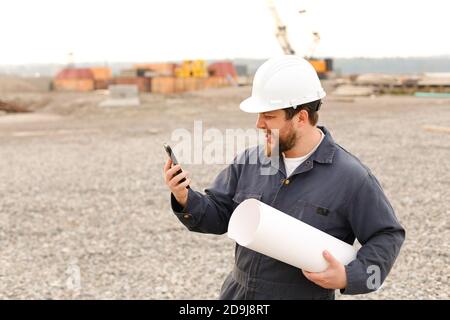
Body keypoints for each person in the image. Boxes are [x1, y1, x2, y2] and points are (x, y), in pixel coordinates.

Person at [163, 55, 405, 300]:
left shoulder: (352, 178)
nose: (258, 124)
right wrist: (185, 198)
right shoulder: (249, 162)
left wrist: (350, 276)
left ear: (300, 117)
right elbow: (219, 216)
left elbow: (387, 235)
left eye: (269, 116)